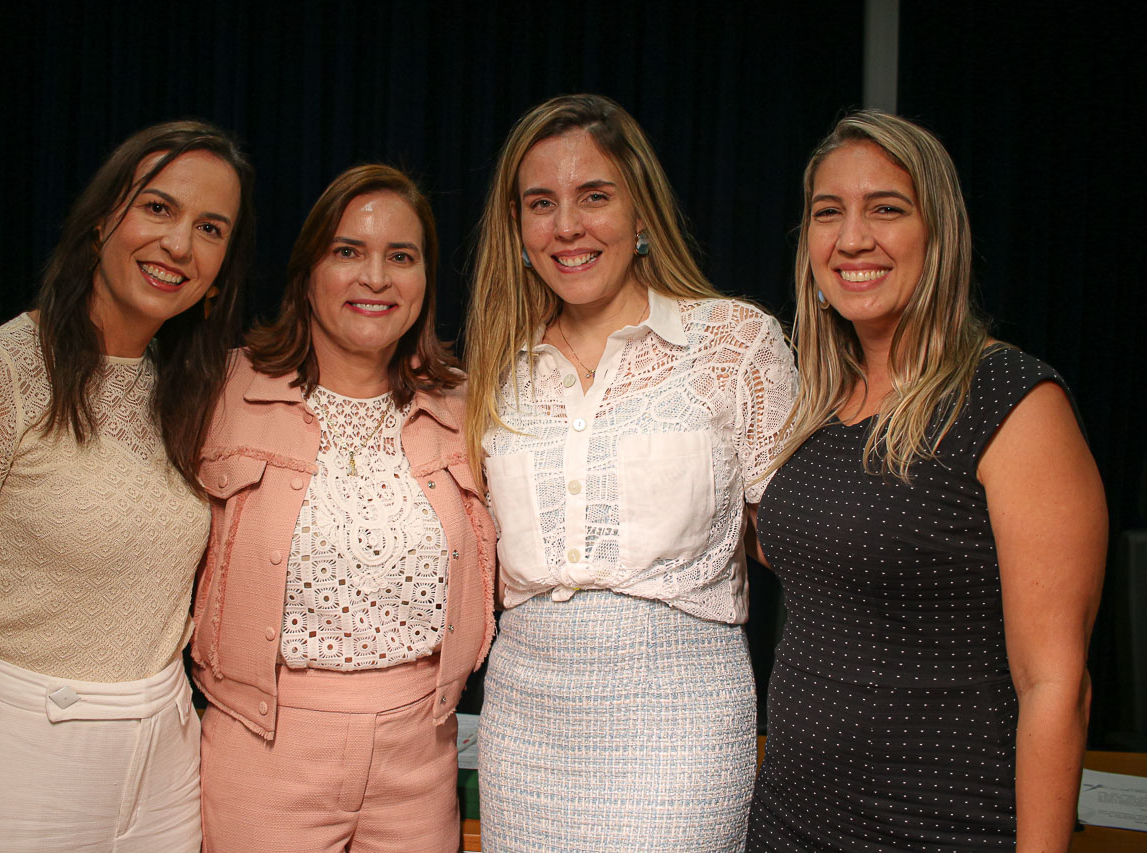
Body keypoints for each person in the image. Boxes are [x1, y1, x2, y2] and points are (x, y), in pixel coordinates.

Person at [0, 119, 256, 853]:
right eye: (158, 208)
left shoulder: (195, 394)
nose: (179, 244)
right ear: (104, 215)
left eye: (210, 228)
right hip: (12, 758)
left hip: (166, 764)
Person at [746, 110, 1106, 850]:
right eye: (828, 214)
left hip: (940, 826)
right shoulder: (814, 406)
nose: (852, 239)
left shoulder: (1010, 401)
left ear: (938, 233)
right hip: (790, 822)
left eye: (886, 208)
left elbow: (1055, 686)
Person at [462, 93, 797, 852]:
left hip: (684, 722)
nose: (567, 226)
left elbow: (801, 542)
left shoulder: (733, 344)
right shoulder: (491, 373)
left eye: (594, 196)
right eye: (540, 203)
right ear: (518, 228)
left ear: (641, 211)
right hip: (527, 726)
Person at [191, 164, 496, 853]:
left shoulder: (468, 408)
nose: (375, 277)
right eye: (348, 251)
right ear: (308, 270)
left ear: (425, 280)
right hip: (262, 746)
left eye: (401, 256)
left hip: (422, 756)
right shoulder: (223, 388)